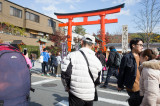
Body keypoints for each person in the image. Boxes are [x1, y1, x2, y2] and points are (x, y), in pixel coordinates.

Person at [61, 34, 102, 106]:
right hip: (90, 95)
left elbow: (65, 74)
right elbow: (99, 80)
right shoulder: (97, 60)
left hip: (75, 93)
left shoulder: (71, 55)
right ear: (93, 45)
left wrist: (66, 86)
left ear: (81, 42)